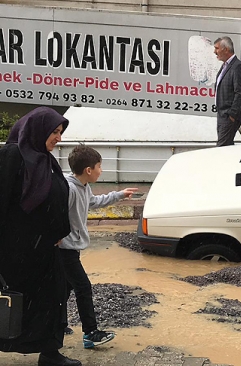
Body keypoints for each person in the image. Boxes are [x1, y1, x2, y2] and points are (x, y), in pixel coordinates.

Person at [0, 107, 81, 366]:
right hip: (14, 253)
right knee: (9, 301)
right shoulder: (12, 155)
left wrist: (58, 232)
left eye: (60, 132)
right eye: (54, 132)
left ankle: (49, 353)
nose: (58, 138)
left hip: (45, 251)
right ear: (37, 130)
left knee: (53, 299)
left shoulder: (47, 161)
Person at [59, 145, 137, 349]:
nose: (101, 170)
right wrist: (57, 238)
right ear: (88, 170)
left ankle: (57, 325)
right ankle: (90, 333)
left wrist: (119, 195)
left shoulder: (83, 186)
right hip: (64, 250)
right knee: (83, 287)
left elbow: (93, 202)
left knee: (65, 289)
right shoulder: (69, 189)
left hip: (71, 247)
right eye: (99, 166)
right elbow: (55, 215)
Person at [214, 36, 241, 147]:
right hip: (222, 114)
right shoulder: (225, 66)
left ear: (226, 49)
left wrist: (232, 115)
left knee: (221, 147)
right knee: (226, 147)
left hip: (229, 115)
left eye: (217, 48)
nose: (215, 52)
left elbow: (240, 93)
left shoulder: (237, 67)